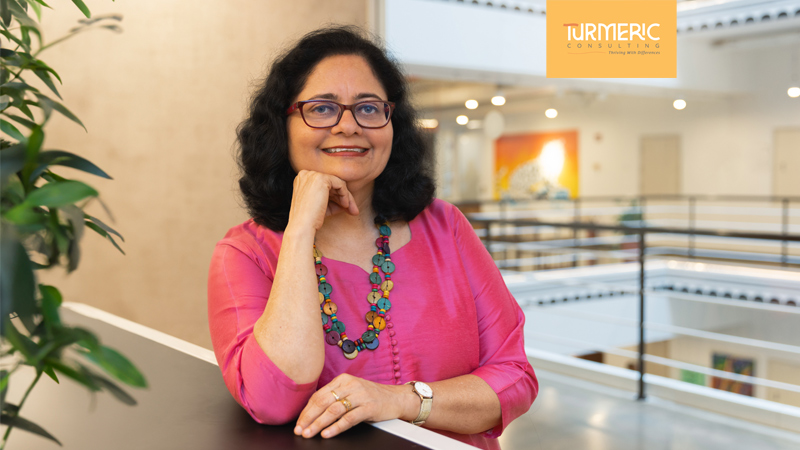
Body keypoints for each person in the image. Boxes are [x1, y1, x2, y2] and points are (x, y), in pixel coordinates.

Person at [207, 26, 538, 450]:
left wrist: (401, 400)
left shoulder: (446, 226)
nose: (348, 126)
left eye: (368, 108)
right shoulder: (244, 254)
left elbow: (514, 378)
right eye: (322, 108)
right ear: (281, 126)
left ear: (391, 124)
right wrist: (300, 229)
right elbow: (270, 399)